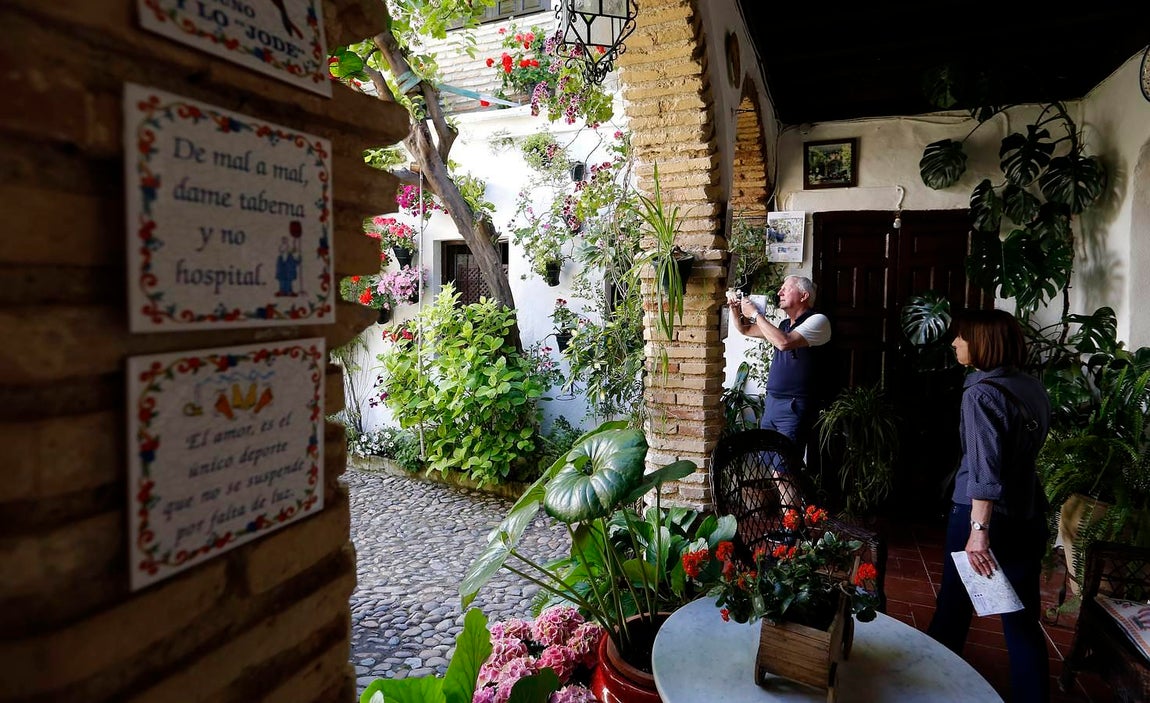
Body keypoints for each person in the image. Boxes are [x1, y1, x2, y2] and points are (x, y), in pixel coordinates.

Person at [926, 309, 1052, 703]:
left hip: (981, 518)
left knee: (951, 611)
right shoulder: (1030, 386)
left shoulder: (981, 392)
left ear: (981, 342)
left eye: (961, 337)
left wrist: (978, 533)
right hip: (1027, 511)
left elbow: (984, 470)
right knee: (1021, 620)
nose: (954, 343)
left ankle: (924, 687)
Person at [729, 275, 832, 452]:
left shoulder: (818, 321)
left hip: (794, 405)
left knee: (784, 467)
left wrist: (755, 314)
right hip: (772, 403)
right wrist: (735, 309)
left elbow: (784, 343)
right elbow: (745, 329)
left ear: (804, 296)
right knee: (770, 465)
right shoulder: (784, 325)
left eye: (786, 288)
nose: (779, 292)